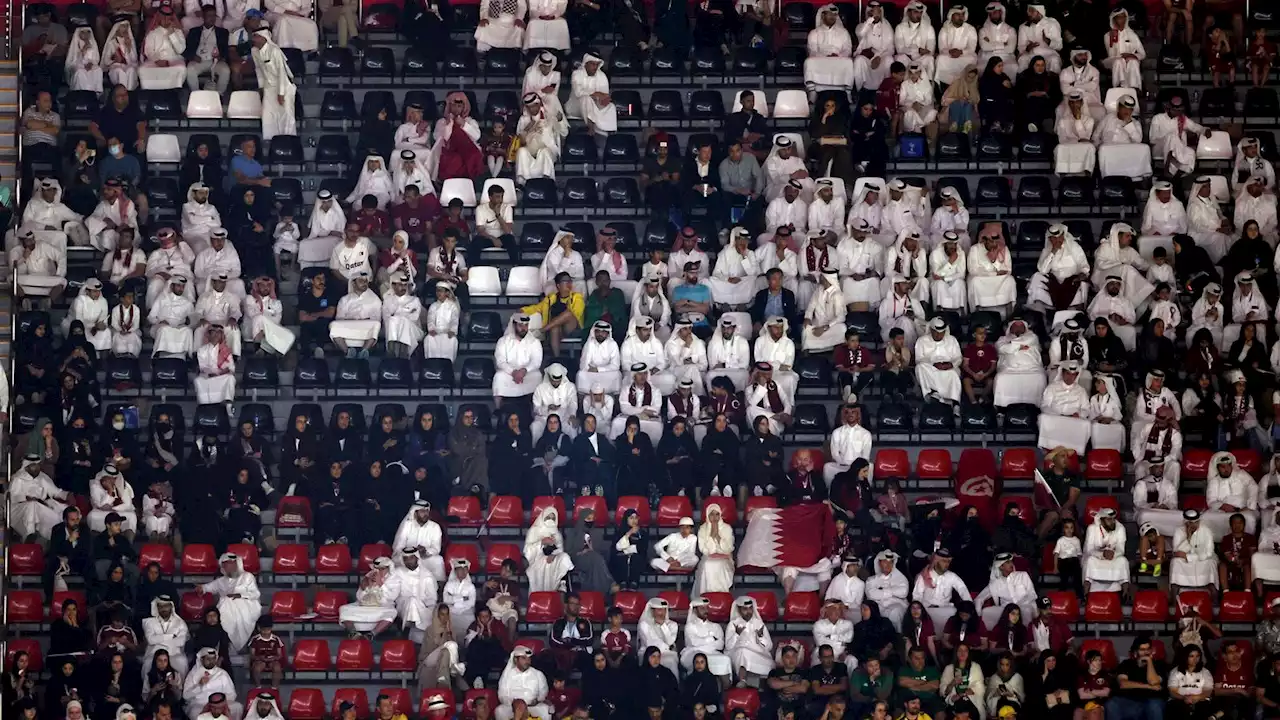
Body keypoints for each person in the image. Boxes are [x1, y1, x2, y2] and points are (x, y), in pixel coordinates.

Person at [198, 553, 261, 651]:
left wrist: (239, 595)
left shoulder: (247, 577)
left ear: (235, 564)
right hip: (227, 608)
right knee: (225, 602)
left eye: (228, 564)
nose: (225, 567)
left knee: (225, 602)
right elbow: (210, 587)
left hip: (247, 606)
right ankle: (228, 641)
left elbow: (255, 594)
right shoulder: (222, 580)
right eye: (224, 565)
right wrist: (202, 588)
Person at [180, 648, 239, 720]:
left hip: (220, 704)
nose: (211, 661)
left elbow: (232, 694)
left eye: (213, 658)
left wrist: (219, 704)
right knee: (194, 712)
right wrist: (199, 686)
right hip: (200, 704)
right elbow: (185, 696)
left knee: (238, 707)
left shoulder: (222, 673)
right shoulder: (193, 674)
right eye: (208, 659)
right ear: (201, 659)